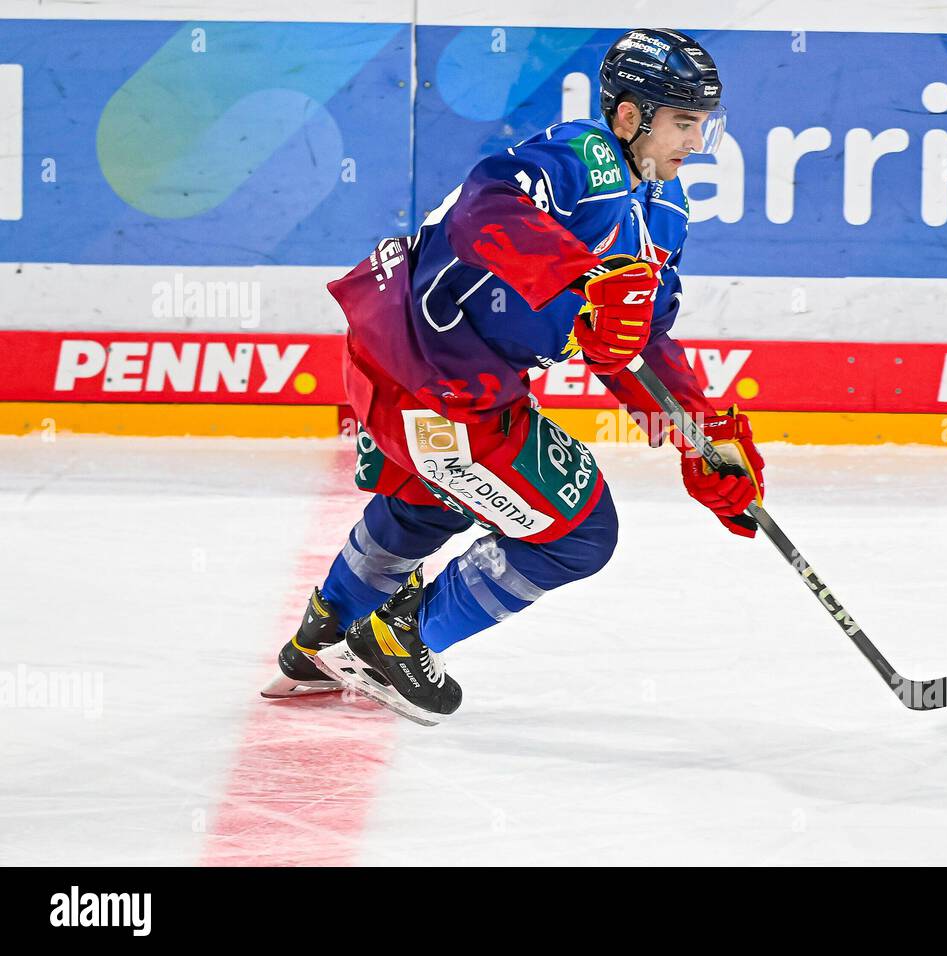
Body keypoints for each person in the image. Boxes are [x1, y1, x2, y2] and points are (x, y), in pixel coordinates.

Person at [261, 28, 765, 725]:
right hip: (431, 381)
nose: (695, 140)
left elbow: (635, 344)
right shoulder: (584, 158)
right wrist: (583, 278)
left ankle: (321, 635)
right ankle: (397, 640)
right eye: (682, 122)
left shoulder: (666, 213)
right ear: (628, 116)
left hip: (411, 375)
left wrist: (702, 437)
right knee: (580, 535)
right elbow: (484, 209)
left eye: (703, 123)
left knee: (432, 500)